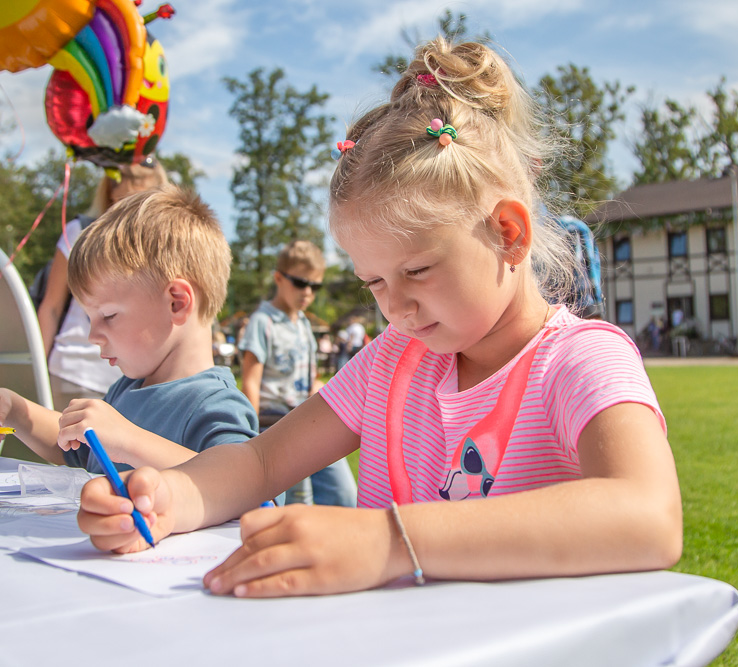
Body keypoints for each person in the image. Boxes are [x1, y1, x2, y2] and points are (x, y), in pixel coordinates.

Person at [76, 38, 682, 598]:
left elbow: (650, 517)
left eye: (416, 271)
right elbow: (261, 462)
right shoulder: (394, 360)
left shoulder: (581, 361)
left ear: (507, 232)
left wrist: (392, 541)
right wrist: (168, 497)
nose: (394, 306)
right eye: (373, 282)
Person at [0, 185, 258, 472]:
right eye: (89, 319)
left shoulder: (215, 404)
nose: (92, 336)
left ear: (176, 303)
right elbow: (73, 448)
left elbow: (249, 490)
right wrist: (16, 411)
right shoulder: (128, 388)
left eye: (108, 315)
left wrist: (128, 441)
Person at [38, 161, 169, 410]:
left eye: (138, 202)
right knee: (62, 448)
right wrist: (35, 370)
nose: (126, 211)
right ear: (108, 194)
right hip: (75, 372)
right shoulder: (80, 232)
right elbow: (51, 307)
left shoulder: (163, 245)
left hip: (135, 383)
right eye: (120, 200)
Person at [238, 240, 357, 507]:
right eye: (301, 283)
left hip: (310, 421)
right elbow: (251, 381)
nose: (308, 292)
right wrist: (250, 437)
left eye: (315, 286)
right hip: (275, 425)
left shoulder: (304, 323)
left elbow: (308, 374)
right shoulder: (263, 322)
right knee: (293, 504)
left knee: (345, 495)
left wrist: (321, 388)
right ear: (279, 278)